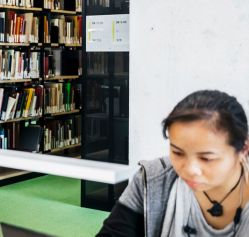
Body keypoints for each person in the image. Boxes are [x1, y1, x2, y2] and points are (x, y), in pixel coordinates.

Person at [98, 90, 249, 237]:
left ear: (243, 149)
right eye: (178, 153)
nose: (189, 169)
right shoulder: (152, 179)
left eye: (206, 158)